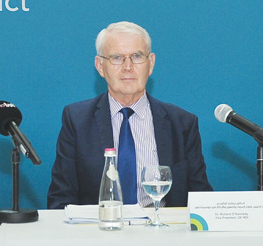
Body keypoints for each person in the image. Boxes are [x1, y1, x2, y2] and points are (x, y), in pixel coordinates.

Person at [47, 21, 212, 209]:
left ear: (151, 63)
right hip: (99, 233)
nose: (128, 67)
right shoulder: (77, 120)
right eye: (117, 57)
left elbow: (201, 201)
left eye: (137, 56)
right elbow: (61, 200)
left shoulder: (182, 124)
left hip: (162, 233)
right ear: (100, 66)